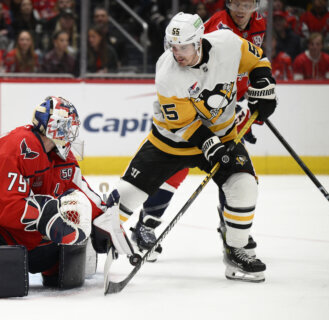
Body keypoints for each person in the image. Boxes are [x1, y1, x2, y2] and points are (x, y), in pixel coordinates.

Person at [107, 12, 277, 282]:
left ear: (199, 42)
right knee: (125, 196)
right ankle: (92, 243)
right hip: (171, 141)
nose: (177, 53)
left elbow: (258, 60)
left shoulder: (228, 43)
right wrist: (211, 145)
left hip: (222, 136)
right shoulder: (167, 71)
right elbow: (185, 125)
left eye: (183, 47)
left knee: (244, 185)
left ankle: (236, 251)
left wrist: (264, 84)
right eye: (172, 47)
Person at [132, 0, 265, 261]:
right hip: (194, 106)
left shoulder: (259, 24)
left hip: (223, 107)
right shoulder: (217, 26)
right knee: (175, 167)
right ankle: (146, 225)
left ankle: (232, 228)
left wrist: (251, 99)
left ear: (256, 6)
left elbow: (249, 63)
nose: (241, 9)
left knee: (232, 169)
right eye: (237, 3)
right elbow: (196, 68)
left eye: (247, 3)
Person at [0, 96, 111, 289]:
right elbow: (1, 205)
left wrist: (103, 220)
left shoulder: (60, 155)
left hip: (8, 223)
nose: (71, 134)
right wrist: (45, 216)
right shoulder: (16, 147)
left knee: (64, 270)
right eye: (68, 127)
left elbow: (79, 189)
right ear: (55, 126)